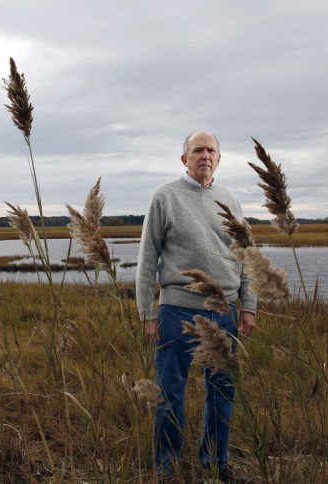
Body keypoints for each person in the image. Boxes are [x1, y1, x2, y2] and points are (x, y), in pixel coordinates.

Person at [136, 130, 257, 481]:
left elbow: (246, 256)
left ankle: (217, 464)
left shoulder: (230, 200)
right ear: (184, 159)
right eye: (197, 150)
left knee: (222, 391)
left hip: (225, 311)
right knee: (170, 391)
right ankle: (167, 469)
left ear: (219, 159)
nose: (205, 155)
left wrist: (248, 305)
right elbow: (147, 261)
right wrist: (149, 313)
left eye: (211, 150)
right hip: (177, 310)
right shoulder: (165, 197)